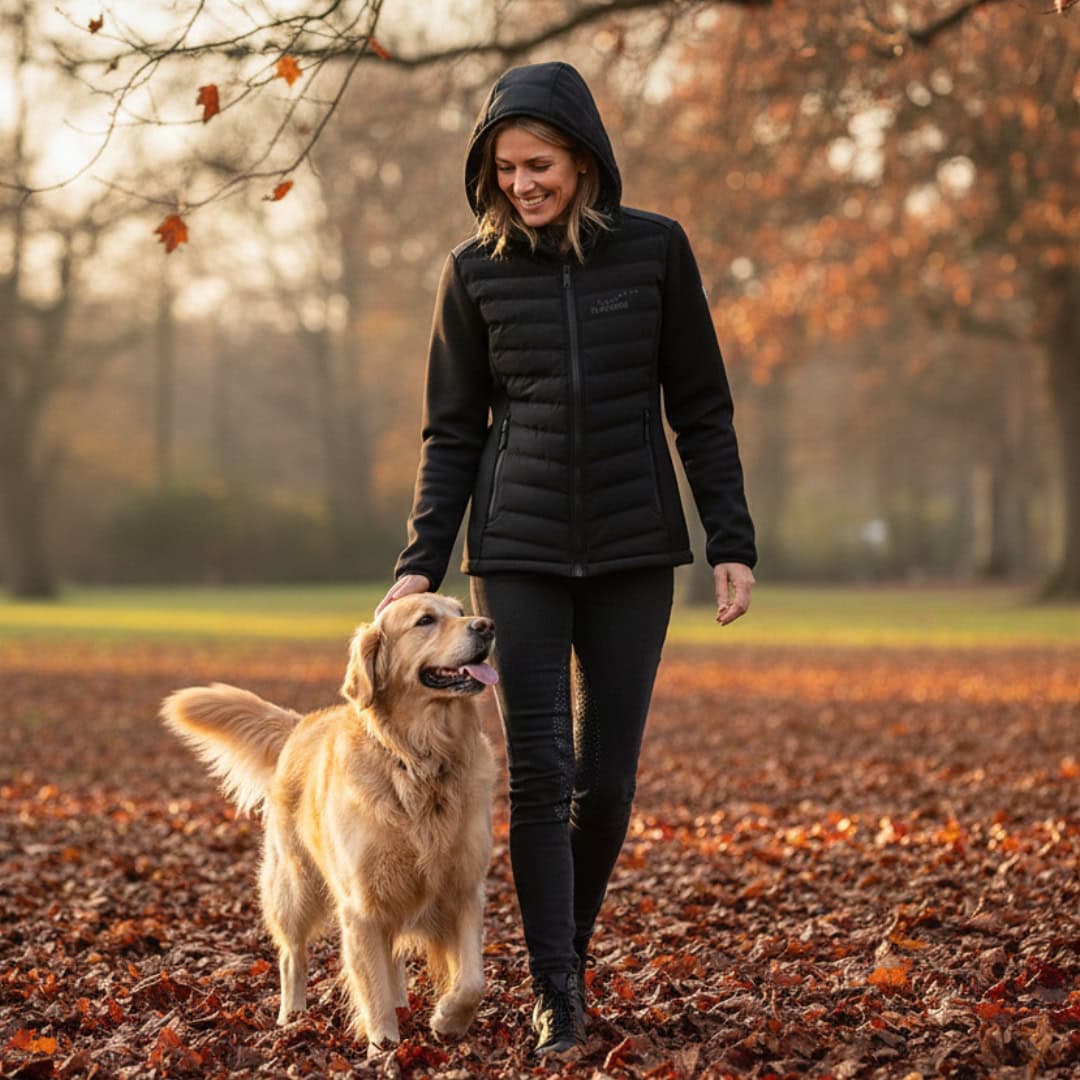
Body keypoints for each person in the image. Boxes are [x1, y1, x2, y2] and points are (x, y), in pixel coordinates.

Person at [376, 60, 756, 1057]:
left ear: (582, 159)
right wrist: (423, 558)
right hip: (517, 556)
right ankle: (558, 992)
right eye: (504, 169)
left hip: (636, 552)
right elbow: (451, 432)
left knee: (608, 783)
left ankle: (565, 951)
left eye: (537, 164)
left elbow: (702, 408)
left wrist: (731, 542)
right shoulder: (472, 274)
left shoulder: (658, 253)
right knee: (540, 771)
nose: (521, 185)